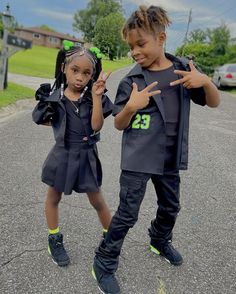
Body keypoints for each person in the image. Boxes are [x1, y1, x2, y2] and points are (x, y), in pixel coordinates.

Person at [92, 5, 220, 294]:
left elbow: (213, 102)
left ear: (161, 38)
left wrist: (206, 81)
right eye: (130, 47)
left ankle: (159, 240)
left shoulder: (183, 71)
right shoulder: (132, 81)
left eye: (141, 44)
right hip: (138, 158)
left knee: (171, 206)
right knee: (127, 214)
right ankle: (104, 260)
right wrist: (131, 107)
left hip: (169, 158)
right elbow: (119, 124)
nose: (135, 52)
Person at [32, 46, 113, 267]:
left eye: (86, 73)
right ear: (64, 68)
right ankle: (54, 238)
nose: (80, 77)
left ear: (92, 75)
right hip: (62, 155)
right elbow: (42, 119)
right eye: (75, 70)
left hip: (87, 156)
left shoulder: (93, 98)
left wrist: (96, 97)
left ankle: (110, 238)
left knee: (97, 200)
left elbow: (96, 126)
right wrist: (55, 121)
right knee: (53, 198)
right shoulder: (55, 98)